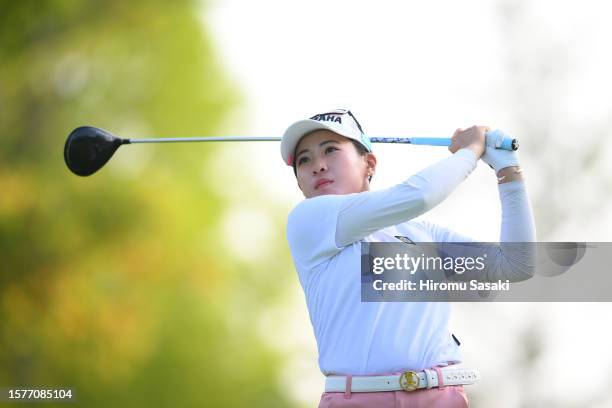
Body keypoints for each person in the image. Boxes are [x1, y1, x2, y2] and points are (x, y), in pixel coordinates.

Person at [281, 109, 536, 407]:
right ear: (299, 181)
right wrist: (470, 151)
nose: (318, 166)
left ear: (369, 164)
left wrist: (508, 171)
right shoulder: (308, 221)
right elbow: (419, 196)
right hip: (358, 399)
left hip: (442, 395)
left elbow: (516, 265)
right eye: (304, 160)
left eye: (331, 150)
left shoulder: (422, 234)